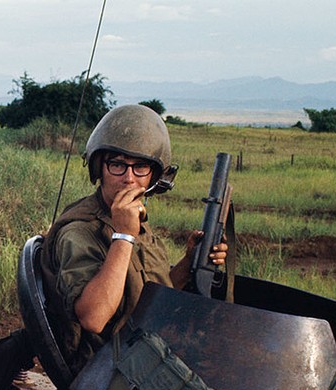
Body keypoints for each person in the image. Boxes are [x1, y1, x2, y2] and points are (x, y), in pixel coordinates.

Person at [41, 104, 228, 375]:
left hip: (146, 355)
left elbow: (148, 300)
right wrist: (124, 236)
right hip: (107, 374)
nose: (129, 179)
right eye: (117, 165)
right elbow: (93, 318)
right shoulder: (80, 232)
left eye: (140, 167)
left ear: (155, 177)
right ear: (99, 169)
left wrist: (190, 262)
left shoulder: (135, 225)